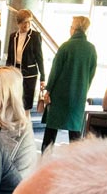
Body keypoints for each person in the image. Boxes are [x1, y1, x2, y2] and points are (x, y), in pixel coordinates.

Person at [40, 16, 97, 149]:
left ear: (74, 29)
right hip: (78, 96)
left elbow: (55, 71)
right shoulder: (91, 49)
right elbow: (91, 74)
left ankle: (45, 159)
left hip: (59, 95)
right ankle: (75, 161)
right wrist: (84, 89)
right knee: (75, 132)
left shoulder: (66, 47)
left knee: (51, 131)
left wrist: (48, 90)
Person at [5, 8, 47, 114]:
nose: (27, 25)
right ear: (18, 23)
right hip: (15, 71)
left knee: (26, 103)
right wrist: (6, 72)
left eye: (29, 22)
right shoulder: (13, 36)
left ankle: (25, 125)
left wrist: (43, 77)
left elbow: (39, 57)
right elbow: (10, 57)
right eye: (24, 22)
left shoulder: (35, 36)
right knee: (13, 100)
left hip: (29, 74)